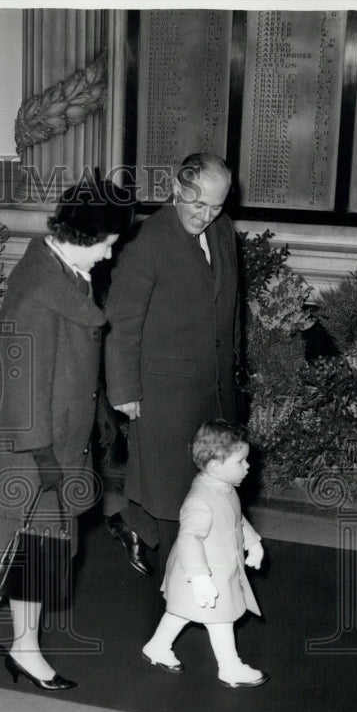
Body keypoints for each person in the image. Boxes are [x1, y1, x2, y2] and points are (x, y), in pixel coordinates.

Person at [0, 179, 132, 692]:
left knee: (28, 539)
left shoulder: (66, 271)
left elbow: (71, 364)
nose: (111, 251)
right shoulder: (39, 292)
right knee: (40, 544)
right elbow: (23, 381)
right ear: (83, 234)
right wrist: (43, 455)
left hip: (53, 432)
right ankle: (24, 647)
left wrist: (96, 410)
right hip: (28, 441)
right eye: (107, 241)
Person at [103, 152, 241, 578]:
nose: (206, 215)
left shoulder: (223, 231)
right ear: (176, 189)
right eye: (198, 204)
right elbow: (122, 321)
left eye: (217, 206)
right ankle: (179, 587)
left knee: (209, 480)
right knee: (173, 492)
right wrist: (124, 391)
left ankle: (131, 524)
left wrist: (235, 363)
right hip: (164, 390)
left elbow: (232, 306)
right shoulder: (148, 243)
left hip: (213, 384)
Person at [142, 419, 267, 687]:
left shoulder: (224, 488)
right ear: (214, 466)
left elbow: (236, 518)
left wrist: (253, 542)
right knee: (221, 619)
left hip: (216, 569)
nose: (248, 466)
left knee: (180, 612)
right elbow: (189, 538)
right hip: (203, 573)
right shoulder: (200, 500)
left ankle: (157, 646)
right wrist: (199, 578)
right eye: (240, 461)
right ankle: (230, 667)